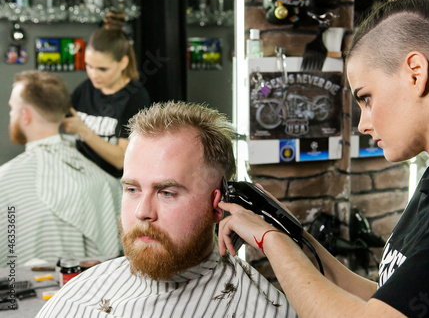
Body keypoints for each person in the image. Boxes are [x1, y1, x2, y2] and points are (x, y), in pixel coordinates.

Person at [217, 0, 429, 317]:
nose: (364, 124)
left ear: (415, 74)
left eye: (366, 98)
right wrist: (289, 231)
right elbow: (385, 300)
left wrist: (270, 241)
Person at [37, 102, 297, 318]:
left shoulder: (261, 309)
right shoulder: (81, 293)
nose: (142, 212)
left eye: (167, 193)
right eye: (132, 190)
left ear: (218, 203)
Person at [0, 71, 122, 266]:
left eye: (12, 109)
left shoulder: (5, 182)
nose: (11, 114)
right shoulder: (103, 180)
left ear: (25, 115)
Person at [62, 10, 151, 178]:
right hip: (82, 178)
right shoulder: (86, 88)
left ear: (123, 62)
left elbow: (121, 159)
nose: (93, 75)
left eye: (102, 69)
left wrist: (82, 129)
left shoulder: (136, 98)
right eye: (88, 66)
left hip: (113, 184)